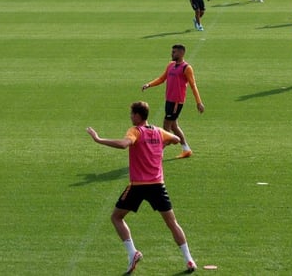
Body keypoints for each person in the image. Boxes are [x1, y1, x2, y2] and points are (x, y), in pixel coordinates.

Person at [86, 101, 197, 275]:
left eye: (132, 114)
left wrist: (99, 139)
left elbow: (124, 144)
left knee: (116, 217)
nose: (130, 116)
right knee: (172, 223)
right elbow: (176, 139)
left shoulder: (135, 131)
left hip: (138, 186)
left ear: (138, 116)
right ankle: (189, 259)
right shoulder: (158, 131)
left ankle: (132, 253)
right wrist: (163, 144)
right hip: (158, 185)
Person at [141, 44, 204, 158]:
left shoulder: (186, 68)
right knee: (174, 126)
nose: (172, 54)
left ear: (181, 53)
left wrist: (198, 102)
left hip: (176, 102)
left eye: (174, 52)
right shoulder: (171, 65)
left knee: (166, 127)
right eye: (172, 52)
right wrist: (149, 84)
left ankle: (158, 152)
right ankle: (186, 149)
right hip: (169, 100)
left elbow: (193, 86)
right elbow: (162, 79)